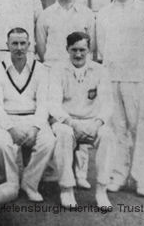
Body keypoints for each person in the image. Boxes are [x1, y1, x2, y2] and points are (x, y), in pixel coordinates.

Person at [96, 0, 144, 197]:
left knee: (140, 129)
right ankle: (118, 175)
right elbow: (101, 47)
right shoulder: (104, 13)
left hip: (138, 79)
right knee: (116, 130)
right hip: (112, 78)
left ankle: (142, 180)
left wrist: (138, 64)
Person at [36, 0, 96, 189]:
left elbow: (93, 45)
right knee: (58, 122)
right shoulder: (46, 14)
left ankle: (80, 173)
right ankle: (56, 170)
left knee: (81, 116)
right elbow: (41, 45)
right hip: (54, 73)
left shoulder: (87, 14)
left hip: (80, 73)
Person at [49, 31, 115, 208]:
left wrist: (98, 122)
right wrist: (70, 122)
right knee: (63, 133)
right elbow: (53, 104)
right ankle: (67, 189)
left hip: (91, 122)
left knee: (107, 134)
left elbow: (108, 103)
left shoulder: (100, 71)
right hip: (67, 122)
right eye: (74, 50)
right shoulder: (57, 70)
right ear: (67, 49)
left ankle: (102, 190)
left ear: (89, 50)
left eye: (82, 50)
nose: (78, 54)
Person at [0, 27, 55, 202]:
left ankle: (29, 182)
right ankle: (11, 184)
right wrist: (11, 129)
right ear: (7, 45)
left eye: (22, 43)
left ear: (29, 45)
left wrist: (35, 128)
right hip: (7, 119)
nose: (19, 48)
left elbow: (44, 103)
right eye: (14, 43)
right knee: (1, 142)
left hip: (33, 118)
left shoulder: (41, 70)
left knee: (48, 141)